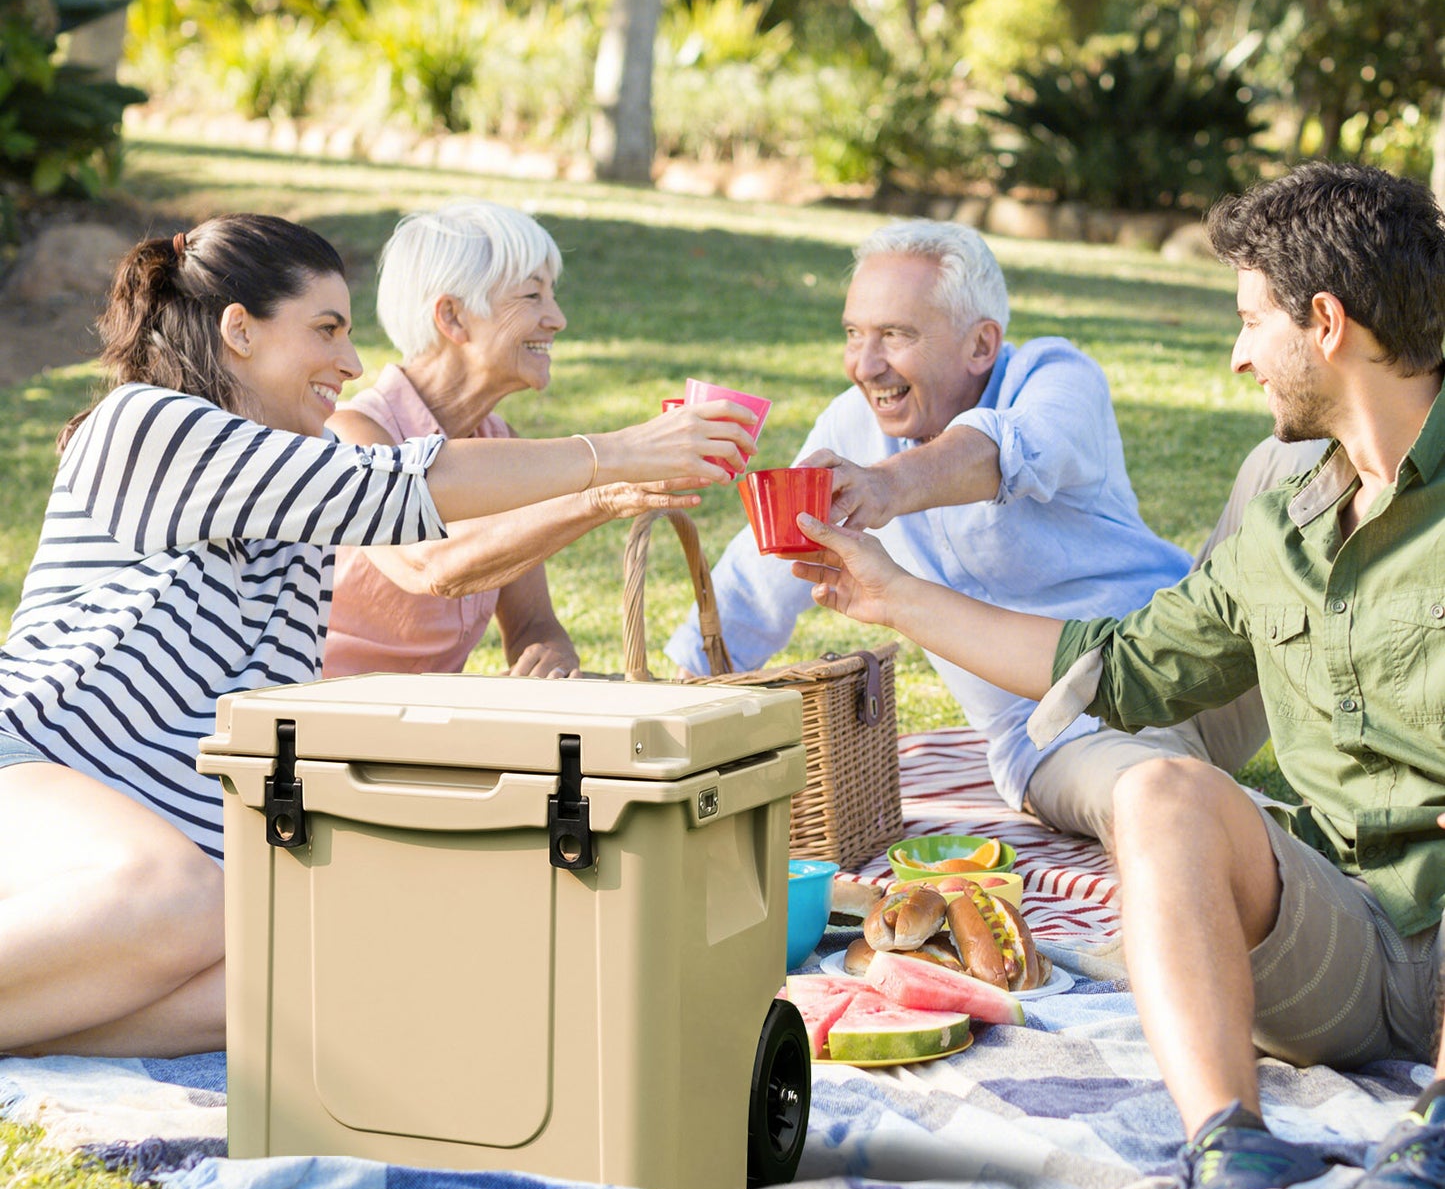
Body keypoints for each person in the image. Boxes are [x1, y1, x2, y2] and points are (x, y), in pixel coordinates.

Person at [789, 162, 1445, 1189]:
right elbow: (1127, 663)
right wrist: (888, 593)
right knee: (1156, 790)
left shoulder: (1057, 383)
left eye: (1250, 321)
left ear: (1324, 324)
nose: (1236, 354)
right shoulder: (1284, 501)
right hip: (1341, 932)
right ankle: (1231, 1155)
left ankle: (1432, 1156)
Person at [0, 213, 754, 1059]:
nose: (353, 363)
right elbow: (395, 490)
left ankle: (36, 1016)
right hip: (32, 769)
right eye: (326, 330)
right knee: (184, 896)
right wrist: (618, 452)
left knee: (346, 969)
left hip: (173, 853)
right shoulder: (144, 424)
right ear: (240, 330)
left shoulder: (298, 520)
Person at [666, 220, 1304, 850]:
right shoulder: (850, 427)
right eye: (855, 333)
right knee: (1168, 806)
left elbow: (1008, 449)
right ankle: (1302, 855)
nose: (865, 364)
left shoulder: (1056, 376)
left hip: (1192, 661)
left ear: (981, 345)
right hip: (1062, 734)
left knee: (1291, 461)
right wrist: (670, 707)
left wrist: (887, 484)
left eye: (895, 334)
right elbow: (761, 573)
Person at [324, 201, 701, 679]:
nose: (558, 319)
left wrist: (550, 651)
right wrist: (600, 494)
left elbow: (531, 623)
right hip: (319, 727)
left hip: (427, 730)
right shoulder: (352, 436)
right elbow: (430, 563)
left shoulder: (500, 442)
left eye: (552, 295)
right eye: (531, 297)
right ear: (453, 317)